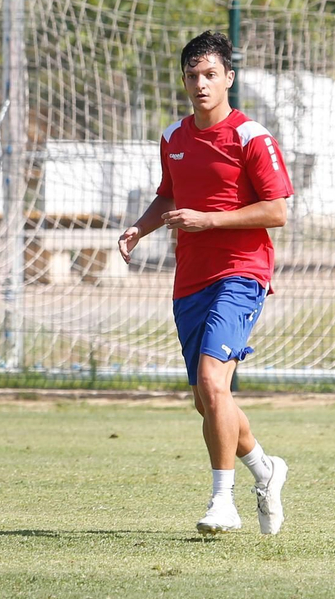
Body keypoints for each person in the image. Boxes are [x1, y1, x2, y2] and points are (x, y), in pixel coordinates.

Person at [118, 30, 293, 535]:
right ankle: (266, 469)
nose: (201, 84)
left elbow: (278, 210)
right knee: (207, 399)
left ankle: (223, 502)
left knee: (216, 384)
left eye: (211, 75)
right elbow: (168, 196)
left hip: (242, 273)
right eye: (193, 75)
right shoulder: (173, 137)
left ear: (229, 79)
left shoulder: (251, 137)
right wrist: (140, 227)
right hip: (190, 279)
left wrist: (210, 221)